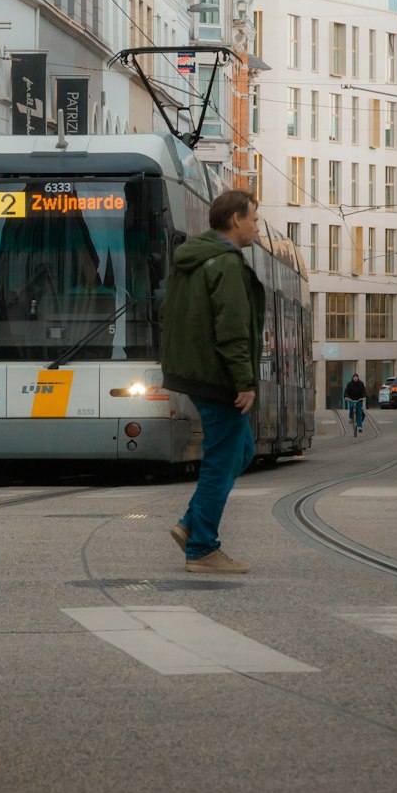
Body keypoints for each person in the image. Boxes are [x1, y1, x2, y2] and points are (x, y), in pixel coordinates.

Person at [160, 188, 265, 575]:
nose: (256, 228)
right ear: (236, 220)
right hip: (218, 376)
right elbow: (233, 329)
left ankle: (190, 524)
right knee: (222, 461)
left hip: (195, 372)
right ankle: (202, 547)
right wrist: (245, 381)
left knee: (241, 451)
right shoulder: (226, 264)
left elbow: (165, 313)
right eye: (253, 219)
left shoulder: (191, 259)